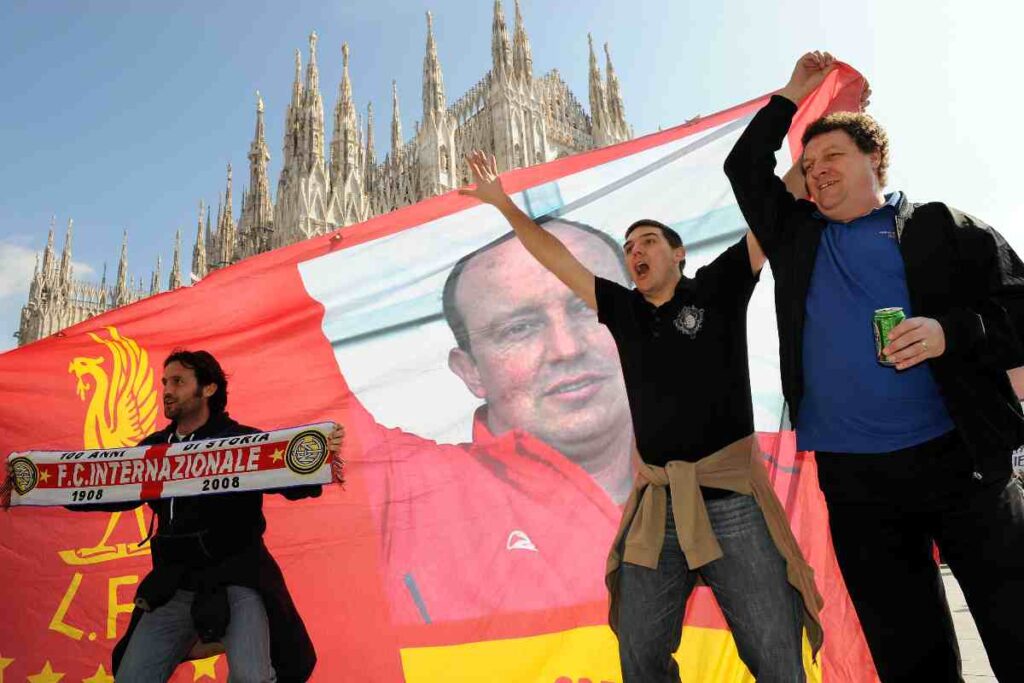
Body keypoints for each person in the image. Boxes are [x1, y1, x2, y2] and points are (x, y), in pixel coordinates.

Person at [458, 150, 822, 683]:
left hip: (732, 503)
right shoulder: (623, 311)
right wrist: (504, 205)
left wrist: (808, 151)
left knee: (774, 654)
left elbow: (771, 206)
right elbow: (554, 257)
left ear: (678, 253)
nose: (635, 253)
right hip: (659, 507)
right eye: (628, 248)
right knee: (640, 652)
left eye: (647, 241)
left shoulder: (718, 288)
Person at [724, 51, 1024, 682]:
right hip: (857, 485)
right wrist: (793, 93)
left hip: (963, 465)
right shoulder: (798, 238)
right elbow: (743, 167)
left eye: (832, 157)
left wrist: (949, 333)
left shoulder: (945, 228)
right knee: (911, 657)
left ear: (874, 159)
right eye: (809, 166)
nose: (818, 171)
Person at [360, 219, 637, 626]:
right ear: (470, 370)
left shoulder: (752, 470)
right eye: (520, 328)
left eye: (594, 307)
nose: (566, 348)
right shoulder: (407, 497)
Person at [68, 349, 342, 683]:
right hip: (174, 585)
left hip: (239, 580)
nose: (167, 390)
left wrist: (318, 454)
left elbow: (297, 482)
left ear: (208, 388)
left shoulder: (241, 443)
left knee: (251, 678)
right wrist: (47, 487)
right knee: (132, 677)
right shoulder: (154, 450)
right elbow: (110, 491)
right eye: (165, 382)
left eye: (179, 381)